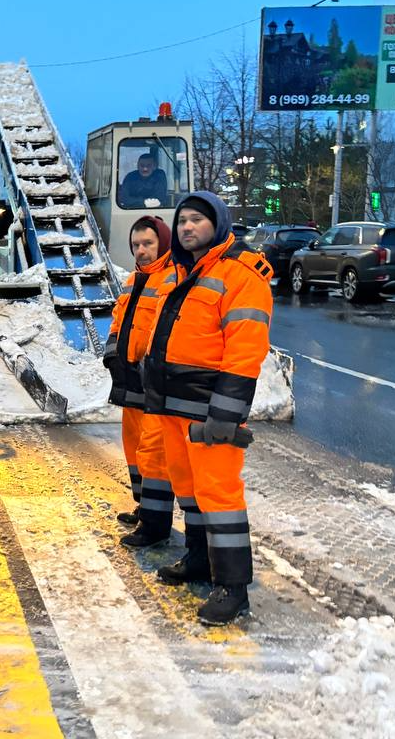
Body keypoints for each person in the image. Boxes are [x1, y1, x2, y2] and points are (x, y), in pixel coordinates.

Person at [141, 191, 273, 626]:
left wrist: (226, 412)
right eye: (182, 221)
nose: (187, 227)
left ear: (217, 222)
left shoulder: (240, 273)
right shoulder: (182, 271)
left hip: (208, 407)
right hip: (173, 406)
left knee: (220, 496)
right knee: (188, 488)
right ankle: (199, 558)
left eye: (197, 219)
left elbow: (245, 347)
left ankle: (233, 588)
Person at [102, 215, 176, 547]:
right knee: (133, 446)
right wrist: (112, 352)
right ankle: (142, 505)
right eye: (136, 245)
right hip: (130, 377)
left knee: (153, 451)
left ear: (162, 242)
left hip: (152, 380)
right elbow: (120, 319)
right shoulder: (135, 278)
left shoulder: (172, 278)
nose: (142, 250)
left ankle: (155, 524)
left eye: (148, 243)